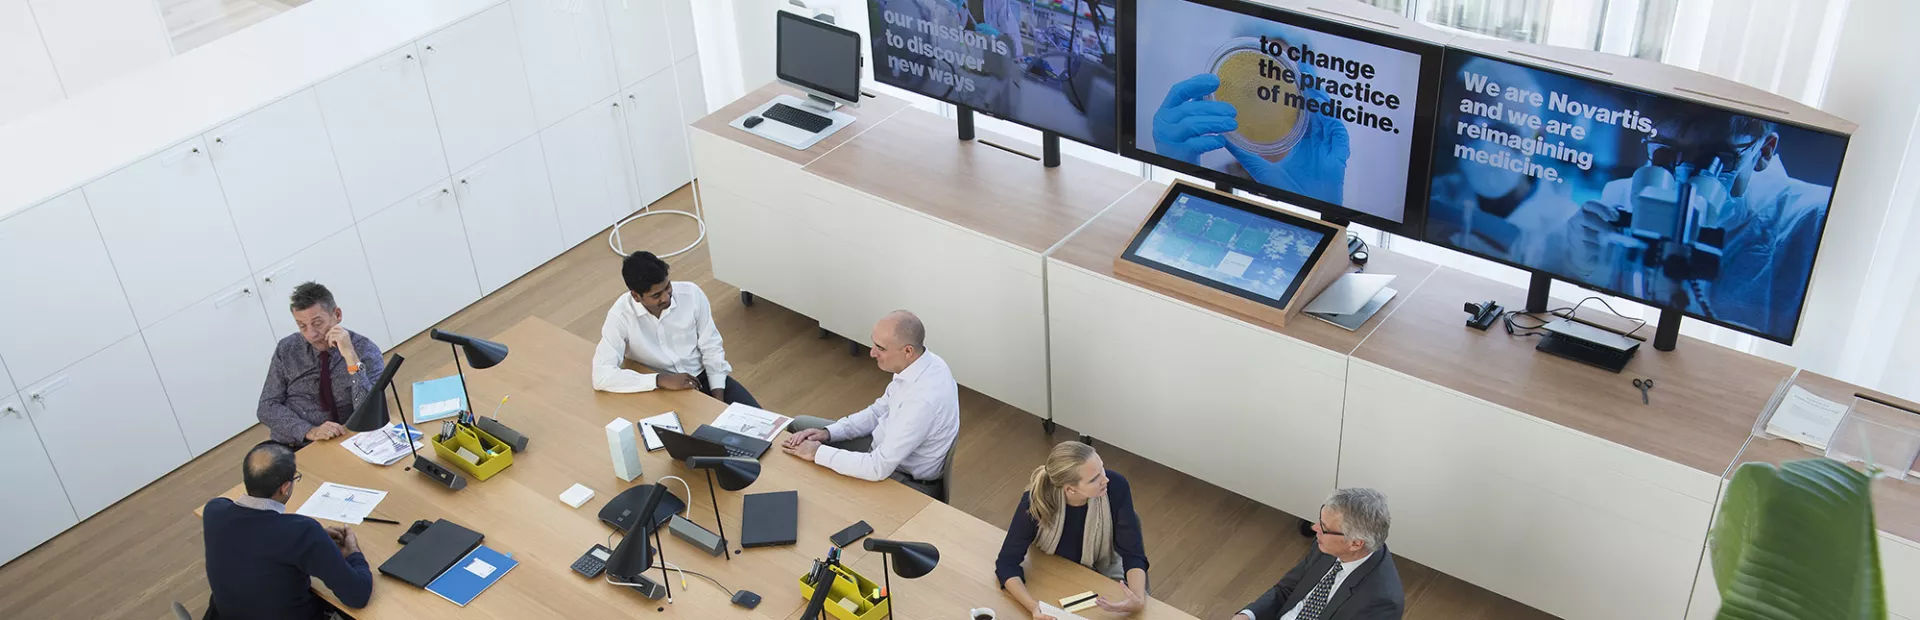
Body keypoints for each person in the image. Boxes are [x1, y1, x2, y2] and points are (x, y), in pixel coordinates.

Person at [1549, 112, 1831, 337]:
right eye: (1665, 153)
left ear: (1764, 151)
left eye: (1715, 158)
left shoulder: (1811, 220)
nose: (1684, 174)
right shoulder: (1623, 196)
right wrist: (1580, 265)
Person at [781, 310, 959, 498]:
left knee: (820, 487)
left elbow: (877, 467)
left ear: (908, 351)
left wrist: (817, 453)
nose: (872, 353)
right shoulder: (921, 363)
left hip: (902, 478)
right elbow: (878, 411)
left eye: (880, 348)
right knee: (798, 425)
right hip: (882, 449)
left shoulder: (922, 402)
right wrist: (829, 433)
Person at [202, 442, 372, 619]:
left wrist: (315, 542)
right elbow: (358, 595)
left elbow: (256, 538)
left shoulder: (214, 510)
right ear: (285, 487)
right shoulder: (303, 533)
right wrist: (354, 553)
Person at [996, 441, 1149, 620]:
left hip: (1105, 566)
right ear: (1070, 489)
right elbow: (1006, 564)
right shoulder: (1035, 504)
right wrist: (1033, 606)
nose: (1105, 479)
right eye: (1094, 478)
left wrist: (1138, 598)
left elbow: (1133, 553)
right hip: (1056, 572)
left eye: (1102, 469)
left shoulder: (1116, 486)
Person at [591, 251, 759, 407]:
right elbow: (601, 375)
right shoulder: (620, 316)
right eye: (656, 295)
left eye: (667, 287)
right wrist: (660, 380)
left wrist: (718, 400)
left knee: (776, 430)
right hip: (665, 390)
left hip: (706, 377)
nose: (666, 297)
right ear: (636, 296)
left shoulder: (691, 295)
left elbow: (712, 348)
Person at [1235, 488, 1402, 620]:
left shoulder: (1382, 603)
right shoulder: (1327, 545)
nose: (1315, 528)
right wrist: (1249, 615)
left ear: (1356, 543)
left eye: (1324, 527)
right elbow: (1286, 589)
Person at [258, 282, 385, 446]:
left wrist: (351, 357)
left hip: (341, 440)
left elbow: (370, 413)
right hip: (293, 441)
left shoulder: (366, 351)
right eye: (302, 326)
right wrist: (309, 431)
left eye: (317, 323)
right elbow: (266, 407)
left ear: (337, 315)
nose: (311, 334)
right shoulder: (287, 349)